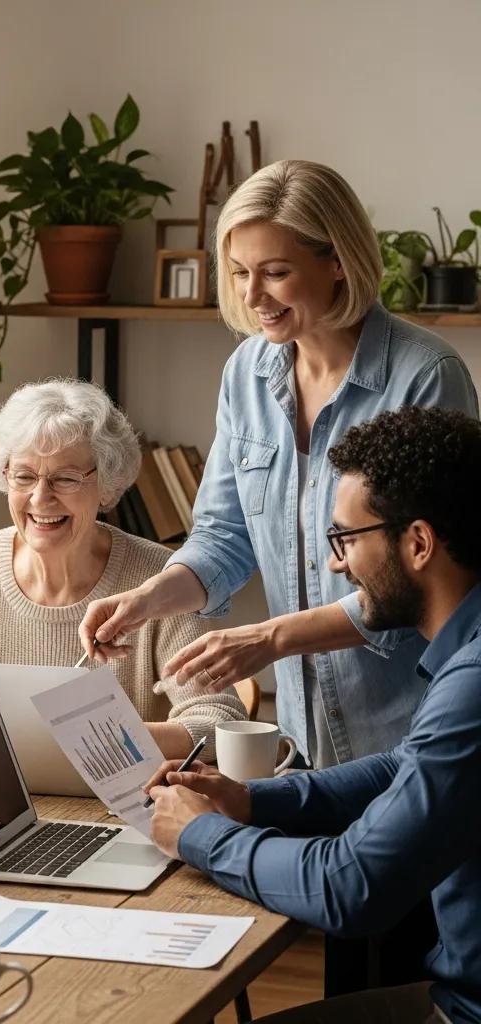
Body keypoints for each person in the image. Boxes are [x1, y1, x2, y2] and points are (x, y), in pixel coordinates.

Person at [81, 159, 478, 769]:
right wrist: (147, 599)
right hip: (299, 735)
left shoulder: (425, 375)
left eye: (275, 272)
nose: (251, 296)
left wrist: (270, 639)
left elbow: (426, 574)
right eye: (240, 272)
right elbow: (223, 535)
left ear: (337, 261)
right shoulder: (246, 373)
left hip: (413, 728)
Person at [147, 406, 481, 1024]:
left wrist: (199, 834)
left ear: (418, 543)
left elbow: (350, 886)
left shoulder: (473, 683)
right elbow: (403, 767)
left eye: (346, 539)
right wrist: (251, 801)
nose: (336, 564)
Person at [0, 379, 246, 769]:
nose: (40, 497)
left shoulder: (158, 580)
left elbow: (220, 722)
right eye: (24, 476)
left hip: (114, 806)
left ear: (107, 484)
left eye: (65, 478)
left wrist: (106, 740)